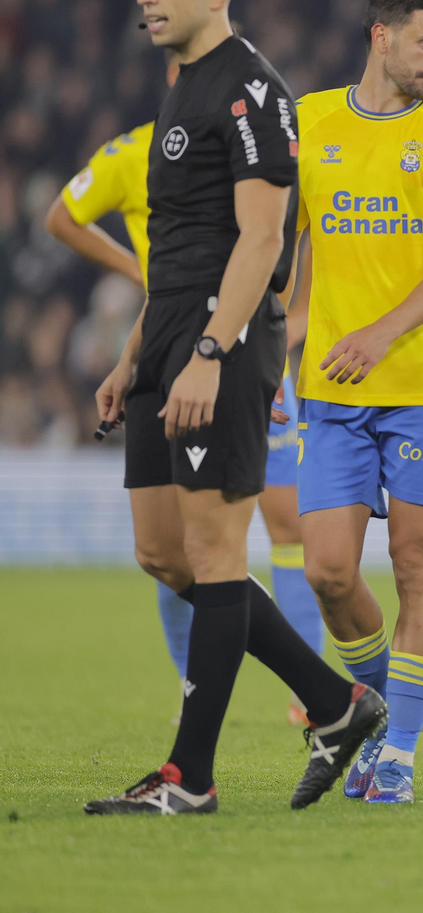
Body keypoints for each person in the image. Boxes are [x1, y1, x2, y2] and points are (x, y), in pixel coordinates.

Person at [85, 0, 385, 816]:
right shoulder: (181, 87)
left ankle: (191, 777)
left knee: (216, 553)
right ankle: (337, 704)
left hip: (222, 347)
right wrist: (134, 352)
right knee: (163, 554)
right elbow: (173, 247)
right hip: (164, 339)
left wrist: (212, 351)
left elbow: (262, 239)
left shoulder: (254, 91)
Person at [47, 49, 324, 729]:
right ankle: (218, 682)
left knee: (274, 520)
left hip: (234, 340)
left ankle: (313, 694)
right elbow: (62, 217)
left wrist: (278, 332)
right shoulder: (136, 154)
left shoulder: (259, 145)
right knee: (167, 548)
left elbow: (285, 249)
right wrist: (137, 277)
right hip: (163, 333)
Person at [291, 0, 423, 806]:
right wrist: (275, 343)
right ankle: (372, 704)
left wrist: (379, 332)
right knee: (328, 571)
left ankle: (399, 752)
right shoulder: (306, 123)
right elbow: (287, 253)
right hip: (330, 388)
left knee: (416, 566)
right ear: (380, 35)